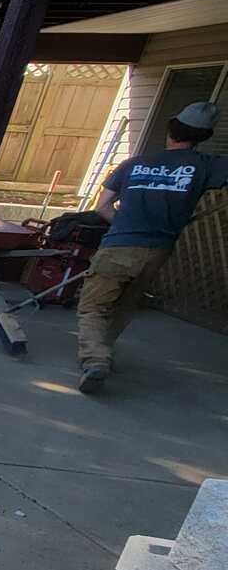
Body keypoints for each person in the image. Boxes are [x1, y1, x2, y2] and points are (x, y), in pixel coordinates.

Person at [76, 101, 228, 393]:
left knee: (93, 306)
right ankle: (102, 354)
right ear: (204, 136)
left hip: (119, 244)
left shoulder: (134, 164)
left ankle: (95, 359)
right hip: (158, 251)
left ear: (171, 130)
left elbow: (103, 206)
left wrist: (123, 223)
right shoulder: (207, 166)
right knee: (125, 304)